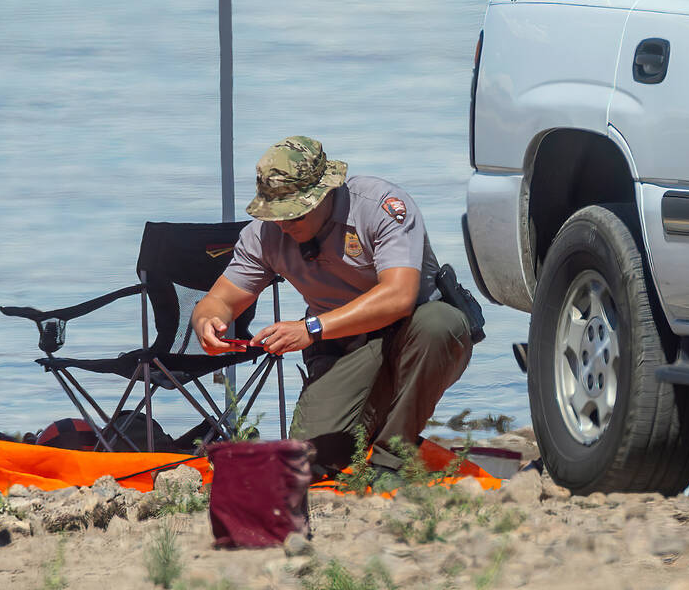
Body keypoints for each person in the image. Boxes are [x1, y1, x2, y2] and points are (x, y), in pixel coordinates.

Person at [191, 135, 479, 477]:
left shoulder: (380, 206)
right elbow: (219, 299)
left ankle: (393, 462)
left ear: (325, 193)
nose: (283, 224)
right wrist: (209, 323)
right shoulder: (265, 235)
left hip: (414, 335)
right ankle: (376, 422)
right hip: (347, 351)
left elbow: (399, 296)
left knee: (439, 323)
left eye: (293, 214)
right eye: (275, 214)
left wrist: (311, 328)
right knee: (309, 458)